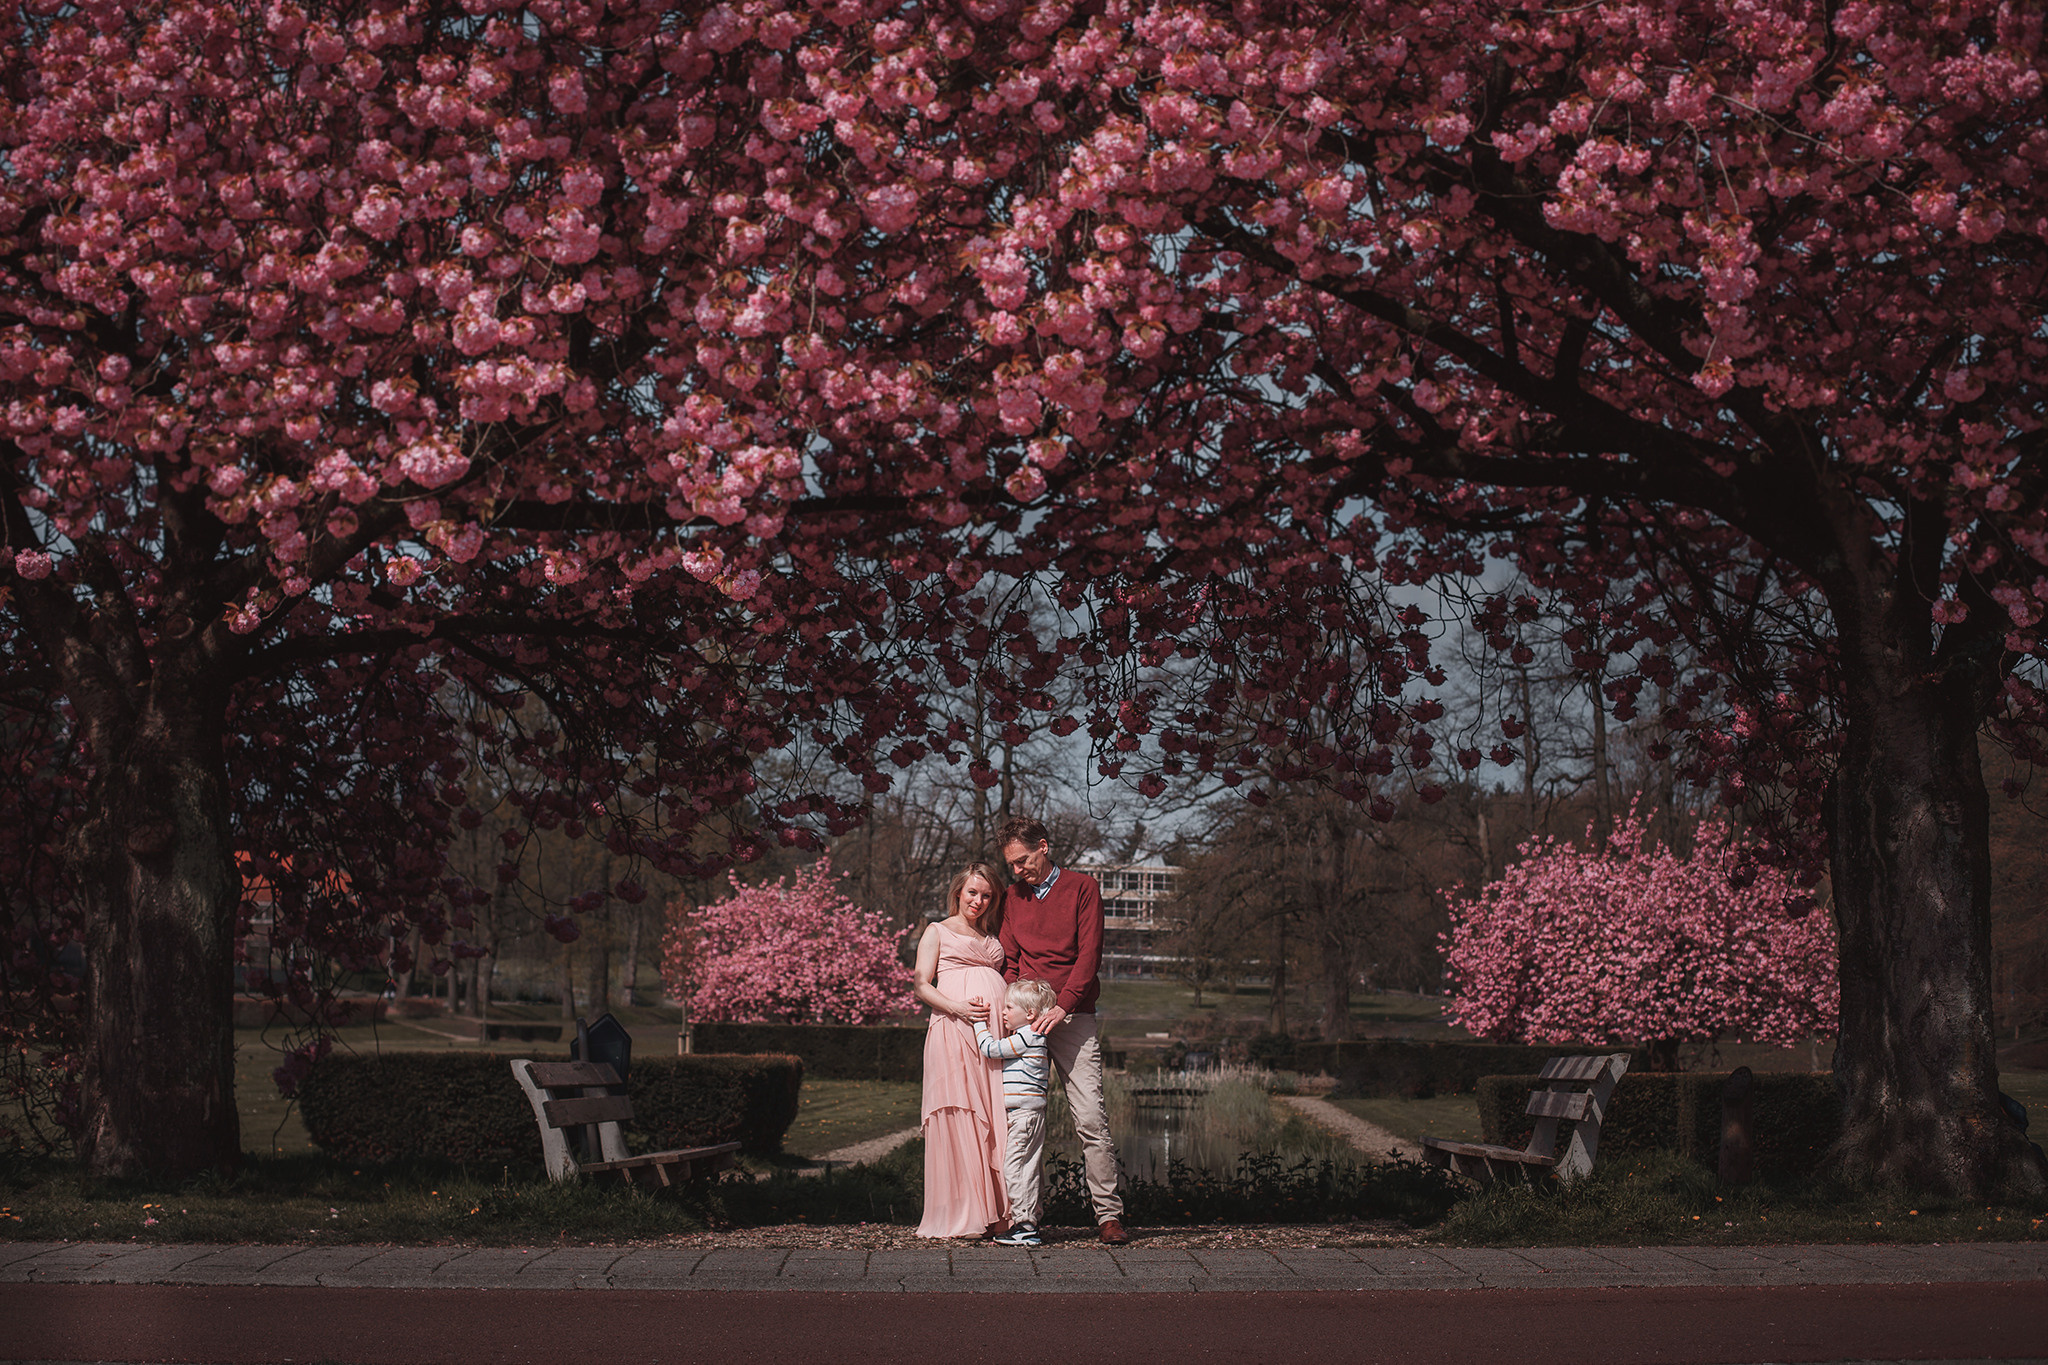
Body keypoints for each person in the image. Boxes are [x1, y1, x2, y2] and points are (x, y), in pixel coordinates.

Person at [995, 814, 1129, 1245]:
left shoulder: (1082, 889)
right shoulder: (1013, 897)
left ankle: (1108, 1217)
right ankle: (1023, 1218)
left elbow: (1089, 957)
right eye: (1011, 864)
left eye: (1021, 861)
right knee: (1024, 1121)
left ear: (1043, 846)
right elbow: (1010, 959)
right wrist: (1016, 1008)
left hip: (1073, 1017)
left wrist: (1063, 1006)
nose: (1016, 871)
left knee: (1090, 1118)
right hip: (1027, 1021)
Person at [912, 862, 1011, 1238]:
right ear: (958, 892)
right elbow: (921, 984)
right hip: (953, 1029)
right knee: (961, 1113)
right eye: (972, 893)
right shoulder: (937, 931)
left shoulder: (992, 934)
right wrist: (958, 1009)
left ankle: (1000, 1212)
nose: (979, 901)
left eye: (987, 895)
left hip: (993, 1038)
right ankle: (963, 1212)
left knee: (993, 1112)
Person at [973, 978, 1057, 1248]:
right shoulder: (1033, 1036)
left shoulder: (1027, 1036)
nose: (1003, 1012)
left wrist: (978, 1024)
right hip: (1030, 1115)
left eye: (1009, 1007)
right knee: (1028, 1168)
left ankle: (1024, 1225)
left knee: (1015, 1167)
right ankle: (1030, 1221)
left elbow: (990, 1050)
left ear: (1030, 1014)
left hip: (1024, 1115)